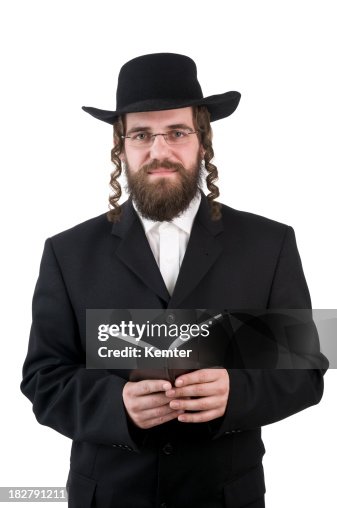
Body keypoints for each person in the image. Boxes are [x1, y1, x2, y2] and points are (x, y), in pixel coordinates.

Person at [21, 53, 326, 508]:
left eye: (177, 133)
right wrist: (116, 406)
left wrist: (236, 394)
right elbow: (44, 378)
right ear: (120, 146)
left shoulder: (270, 244)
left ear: (202, 141)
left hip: (226, 497)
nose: (159, 151)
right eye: (142, 134)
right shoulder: (66, 253)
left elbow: (305, 371)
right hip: (108, 497)